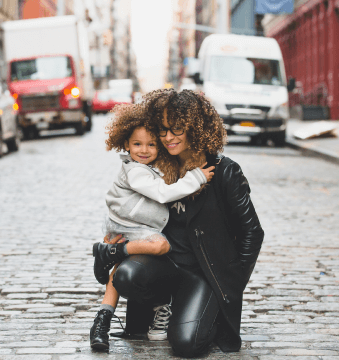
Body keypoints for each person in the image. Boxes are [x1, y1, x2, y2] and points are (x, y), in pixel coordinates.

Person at [108, 89, 265, 357]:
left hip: (203, 273)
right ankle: (165, 306)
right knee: (126, 276)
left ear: (195, 128)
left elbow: (252, 232)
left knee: (186, 344)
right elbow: (126, 207)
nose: (168, 137)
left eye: (176, 129)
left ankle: (204, 311)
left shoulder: (225, 171)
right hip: (165, 265)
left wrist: (231, 284)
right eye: (163, 130)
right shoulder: (157, 167)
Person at [90, 104, 215, 351]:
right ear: (126, 144)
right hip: (131, 226)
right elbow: (162, 193)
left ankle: (101, 322)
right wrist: (197, 178)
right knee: (161, 245)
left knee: (117, 272)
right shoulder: (135, 171)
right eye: (137, 144)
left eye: (151, 144)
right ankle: (116, 253)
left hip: (128, 225)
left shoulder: (149, 167)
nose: (144, 150)